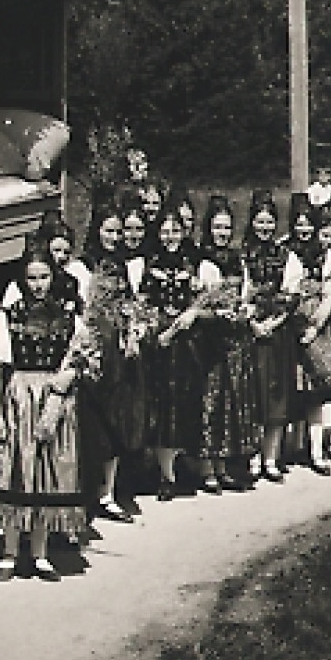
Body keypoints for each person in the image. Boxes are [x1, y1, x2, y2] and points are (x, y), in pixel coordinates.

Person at [0, 243, 96, 580]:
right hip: (19, 399)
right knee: (17, 468)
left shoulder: (67, 316)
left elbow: (82, 357)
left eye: (44, 277)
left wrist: (67, 378)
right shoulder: (9, 317)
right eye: (31, 278)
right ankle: (11, 550)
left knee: (49, 470)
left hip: (55, 403)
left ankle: (41, 552)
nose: (38, 284)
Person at [78, 201, 147, 522]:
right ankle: (84, 492)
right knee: (89, 421)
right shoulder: (83, 265)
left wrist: (132, 333)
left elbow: (130, 305)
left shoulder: (122, 266)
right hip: (91, 350)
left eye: (119, 232)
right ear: (97, 230)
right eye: (109, 230)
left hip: (117, 352)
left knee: (116, 420)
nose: (115, 237)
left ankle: (108, 493)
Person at [139, 202, 208, 500]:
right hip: (161, 344)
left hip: (188, 344)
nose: (170, 236)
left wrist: (193, 312)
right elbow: (142, 302)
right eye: (165, 231)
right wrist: (157, 327)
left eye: (175, 230)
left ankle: (184, 463)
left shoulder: (193, 261)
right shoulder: (149, 263)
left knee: (188, 402)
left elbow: (204, 298)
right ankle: (165, 474)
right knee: (162, 406)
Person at [194, 195, 262, 493]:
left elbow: (247, 294)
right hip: (211, 340)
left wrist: (246, 309)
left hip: (237, 339)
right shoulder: (202, 259)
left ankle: (225, 467)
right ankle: (207, 468)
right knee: (211, 402)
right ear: (208, 228)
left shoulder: (238, 257)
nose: (222, 233)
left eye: (226, 227)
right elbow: (199, 303)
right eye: (217, 227)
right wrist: (217, 312)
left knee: (231, 402)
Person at [242, 191, 303, 480]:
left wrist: (274, 322)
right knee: (254, 395)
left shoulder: (287, 257)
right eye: (259, 221)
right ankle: (253, 458)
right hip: (250, 334)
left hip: (278, 335)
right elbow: (240, 296)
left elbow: (291, 297)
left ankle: (272, 458)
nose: (264, 227)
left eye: (269, 222)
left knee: (277, 395)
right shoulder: (243, 254)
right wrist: (253, 323)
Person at [288, 202, 331, 474]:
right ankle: (284, 449)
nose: (303, 229)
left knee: (316, 390)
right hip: (287, 324)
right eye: (298, 224)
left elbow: (328, 297)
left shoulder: (329, 258)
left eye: (308, 224)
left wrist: (313, 326)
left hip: (317, 327)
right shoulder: (284, 252)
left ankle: (316, 450)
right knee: (287, 387)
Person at [2, 210, 92, 308]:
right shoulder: (19, 284)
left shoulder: (75, 272)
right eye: (56, 250)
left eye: (66, 252)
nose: (61, 256)